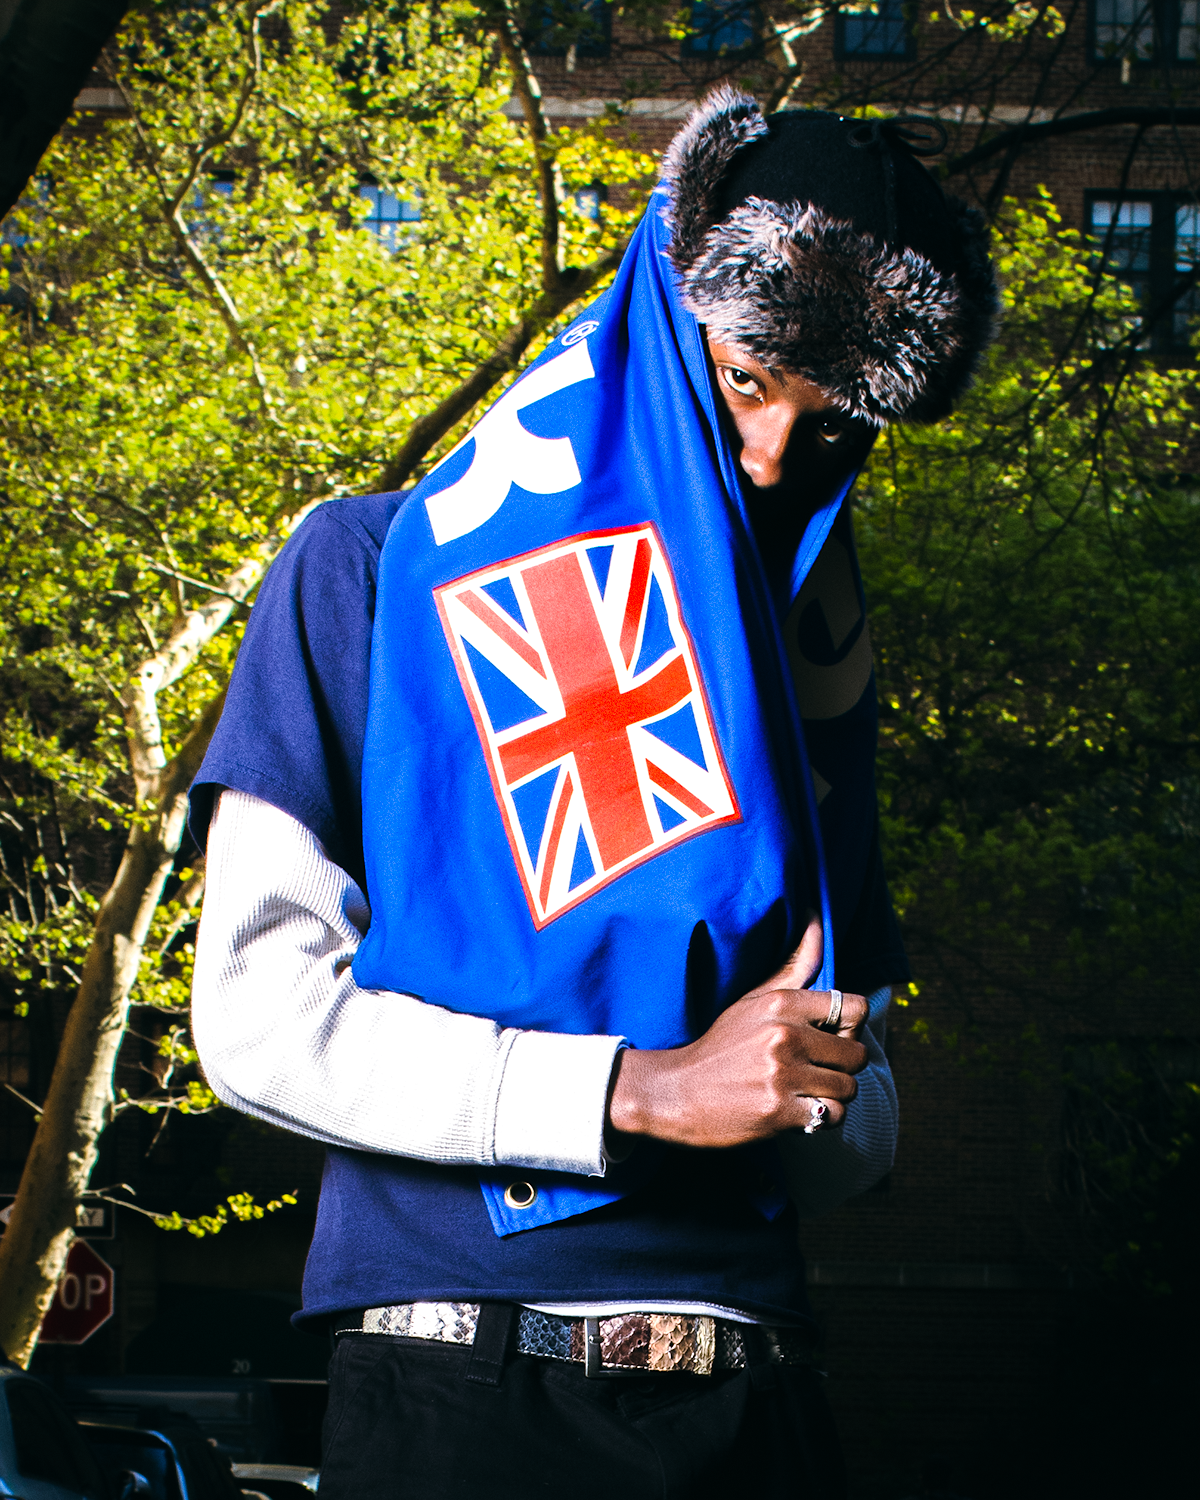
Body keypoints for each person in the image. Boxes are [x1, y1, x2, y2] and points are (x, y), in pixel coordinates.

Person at [189, 88, 996, 1499]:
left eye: (834, 427)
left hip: (755, 1390)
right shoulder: (369, 569)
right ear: (662, 312)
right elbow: (257, 1019)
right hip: (470, 1389)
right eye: (747, 379)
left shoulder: (806, 656)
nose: (772, 456)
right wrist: (640, 1089)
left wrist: (818, 1090)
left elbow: (853, 1107)